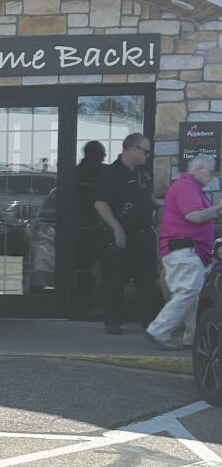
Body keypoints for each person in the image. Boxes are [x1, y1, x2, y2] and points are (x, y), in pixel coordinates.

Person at [145, 156, 221, 349]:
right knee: (189, 292)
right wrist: (217, 208)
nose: (211, 177)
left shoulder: (190, 187)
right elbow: (193, 215)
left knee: (194, 295)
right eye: (211, 172)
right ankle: (158, 330)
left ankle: (193, 337)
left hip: (188, 250)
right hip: (185, 249)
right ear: (200, 169)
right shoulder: (187, 186)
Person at [94, 133, 158, 335]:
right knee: (116, 279)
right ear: (132, 149)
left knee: (147, 280)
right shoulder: (111, 173)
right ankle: (113, 321)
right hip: (122, 235)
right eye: (145, 151)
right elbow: (100, 203)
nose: (147, 156)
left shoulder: (143, 173)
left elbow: (147, 197)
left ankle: (150, 322)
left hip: (144, 233)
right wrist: (116, 228)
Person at [72, 141, 105, 317]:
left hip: (79, 225)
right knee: (99, 267)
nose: (104, 157)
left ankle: (81, 303)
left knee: (82, 267)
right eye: (101, 154)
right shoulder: (102, 173)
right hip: (94, 225)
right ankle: (94, 305)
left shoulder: (75, 173)